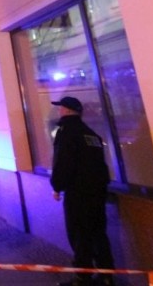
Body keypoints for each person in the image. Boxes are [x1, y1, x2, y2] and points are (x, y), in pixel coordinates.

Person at [50, 96, 115, 286]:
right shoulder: (90, 134)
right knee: (98, 233)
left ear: (67, 110)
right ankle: (107, 276)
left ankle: (82, 277)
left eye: (60, 107)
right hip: (97, 191)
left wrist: (57, 186)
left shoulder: (65, 131)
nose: (59, 110)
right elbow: (100, 164)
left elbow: (62, 162)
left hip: (78, 192)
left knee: (79, 234)